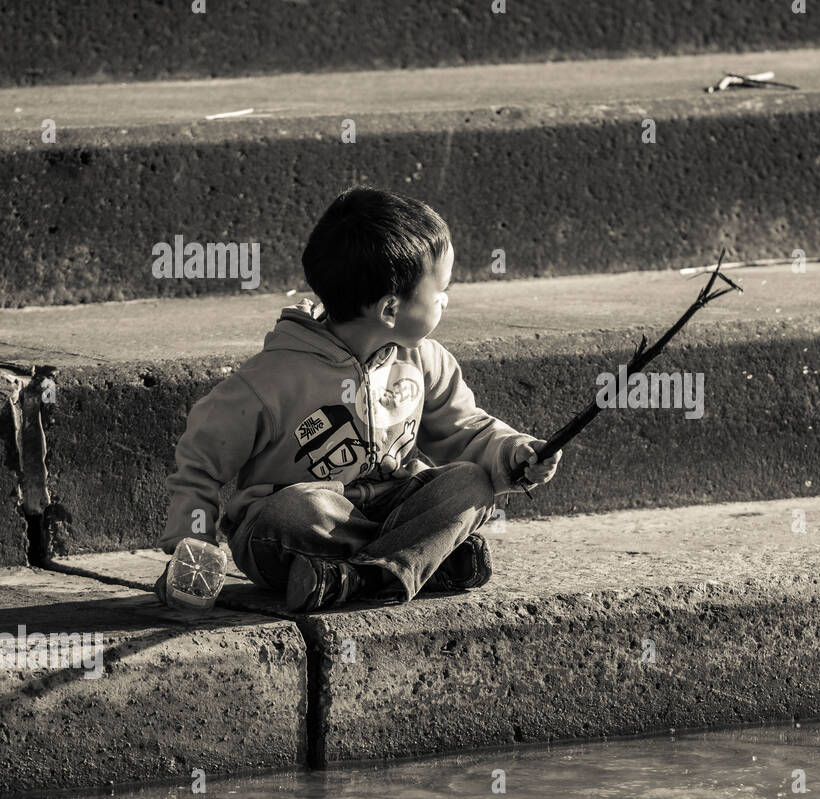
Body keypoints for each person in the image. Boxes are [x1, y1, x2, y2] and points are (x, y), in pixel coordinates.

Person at [155, 187, 560, 612]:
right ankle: (417, 559)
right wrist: (194, 545)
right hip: (298, 534)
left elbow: (466, 431)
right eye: (440, 288)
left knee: (471, 483)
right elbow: (200, 463)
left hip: (389, 510)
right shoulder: (272, 379)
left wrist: (514, 452)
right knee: (298, 508)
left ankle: (357, 578)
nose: (445, 299)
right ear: (390, 309)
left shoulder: (425, 359)